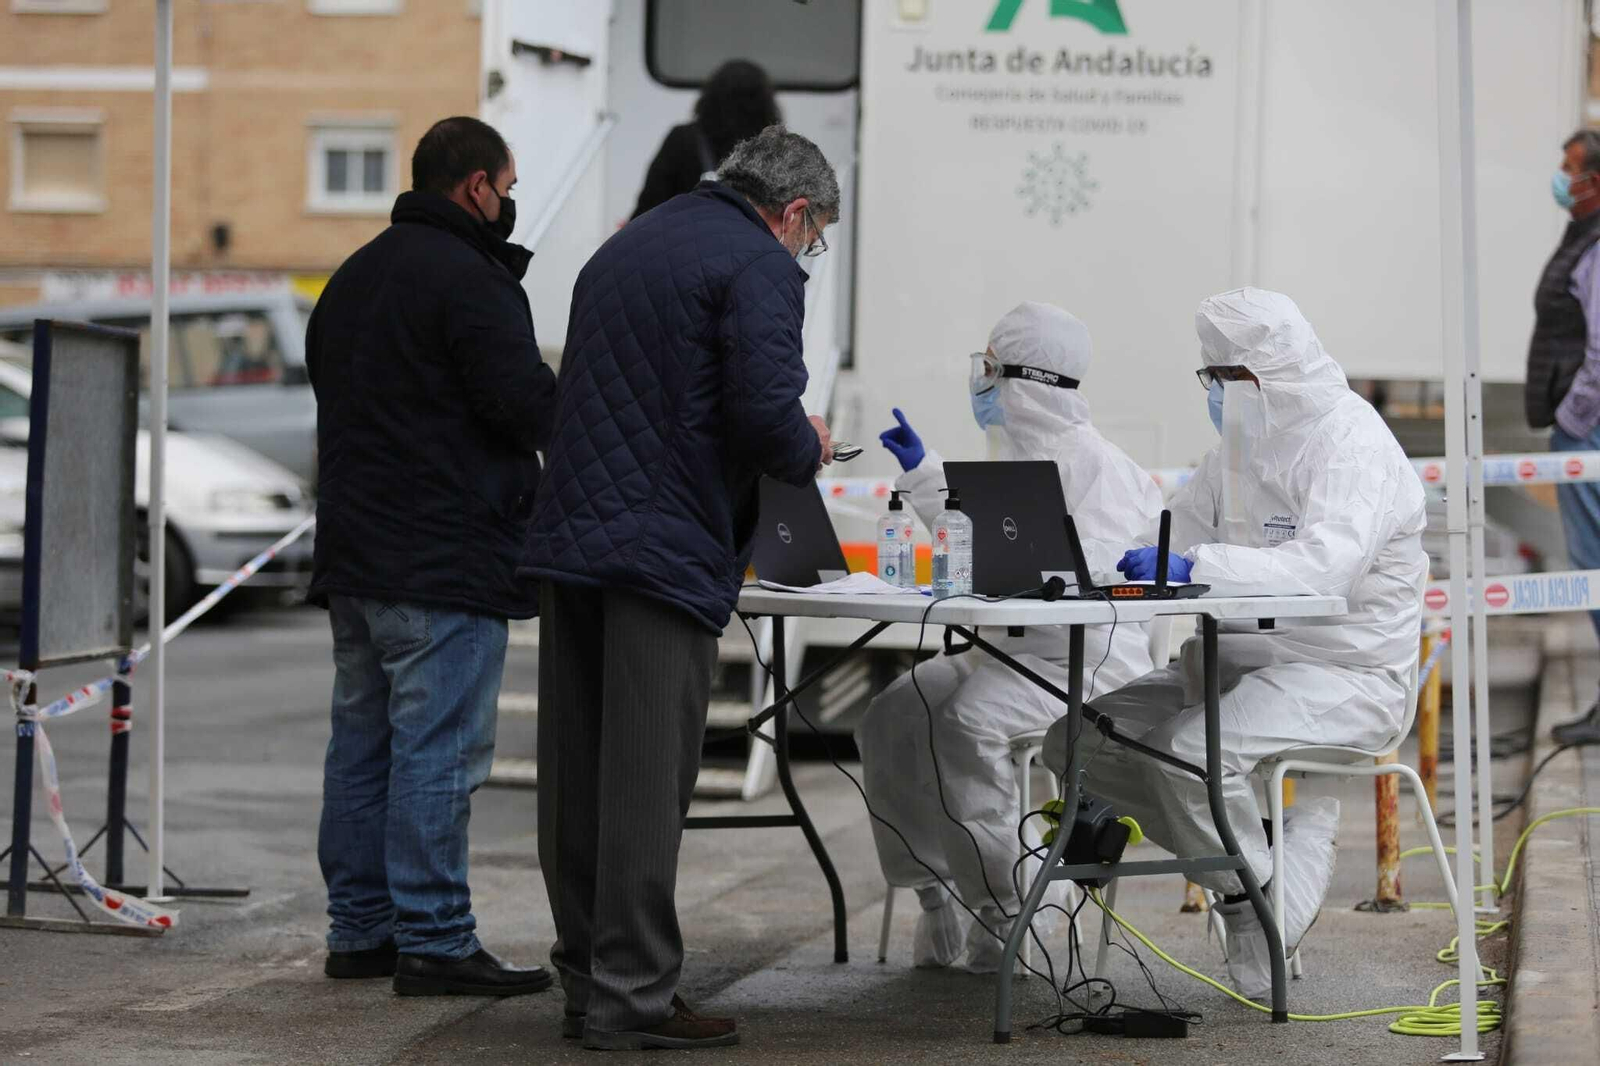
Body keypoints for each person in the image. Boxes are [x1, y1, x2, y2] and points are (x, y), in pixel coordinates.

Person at [521, 125, 839, 1051]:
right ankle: (634, 998)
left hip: (573, 537)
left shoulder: (627, 244)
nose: (807, 249)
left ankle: (586, 984)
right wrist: (808, 442)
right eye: (812, 233)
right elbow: (762, 414)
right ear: (792, 213)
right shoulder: (761, 266)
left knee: (576, 779)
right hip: (661, 546)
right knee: (644, 785)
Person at [1045, 287, 1427, 999]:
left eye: (1226, 379)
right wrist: (1083, 563)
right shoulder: (1236, 450)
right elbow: (1170, 531)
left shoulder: (1352, 443)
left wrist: (1201, 566)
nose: (1216, 395)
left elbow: (1325, 569)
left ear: (1272, 375)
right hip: (1233, 666)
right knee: (1075, 741)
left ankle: (1246, 904)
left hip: (1345, 673)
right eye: (1210, 378)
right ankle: (1266, 866)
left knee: (1189, 753)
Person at [307, 116, 557, 996]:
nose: (511, 203)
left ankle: (360, 930)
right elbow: (523, 406)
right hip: (443, 558)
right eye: (509, 186)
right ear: (477, 187)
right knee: (438, 753)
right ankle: (437, 940)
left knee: (363, 747)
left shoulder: (352, 278)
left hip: (355, 556)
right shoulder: (471, 280)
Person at [855, 302, 1162, 973]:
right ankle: (938, 904)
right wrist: (924, 473)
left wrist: (1032, 580)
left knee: (968, 722)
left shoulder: (1101, 469)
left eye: (991, 369)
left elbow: (1098, 582)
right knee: (893, 714)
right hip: (1011, 652)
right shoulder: (1015, 456)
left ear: (1027, 380)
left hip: (1087, 665)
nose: (982, 384)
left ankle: (1001, 919)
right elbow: (991, 533)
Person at [1530, 129, 1600, 746]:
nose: (1560, 176)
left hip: (1590, 433)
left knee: (1595, 564)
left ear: (1594, 182)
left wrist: (1575, 420)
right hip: (1586, 430)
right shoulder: (1585, 237)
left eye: (1569, 168)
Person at [631, 60, 782, 219]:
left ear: (710, 97)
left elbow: (650, 203)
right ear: (766, 104)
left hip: (687, 237)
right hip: (750, 240)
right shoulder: (774, 147)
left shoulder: (682, 139)